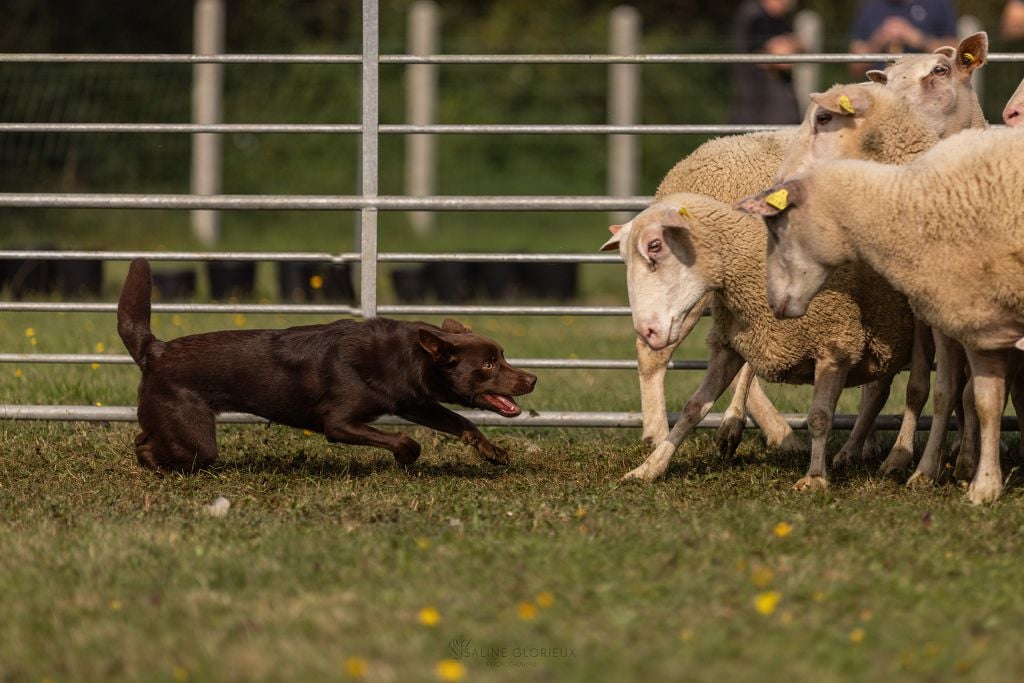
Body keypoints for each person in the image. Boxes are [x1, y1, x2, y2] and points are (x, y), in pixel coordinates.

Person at [729, 0, 804, 125]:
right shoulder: (755, 16)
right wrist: (793, 44)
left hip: (772, 113)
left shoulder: (777, 18)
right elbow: (783, 59)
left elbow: (801, 47)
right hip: (758, 113)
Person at [849, 0, 958, 78]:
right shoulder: (870, 7)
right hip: (881, 92)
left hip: (928, 90)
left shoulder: (938, 4)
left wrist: (918, 39)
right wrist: (879, 40)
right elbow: (855, 67)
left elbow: (955, 54)